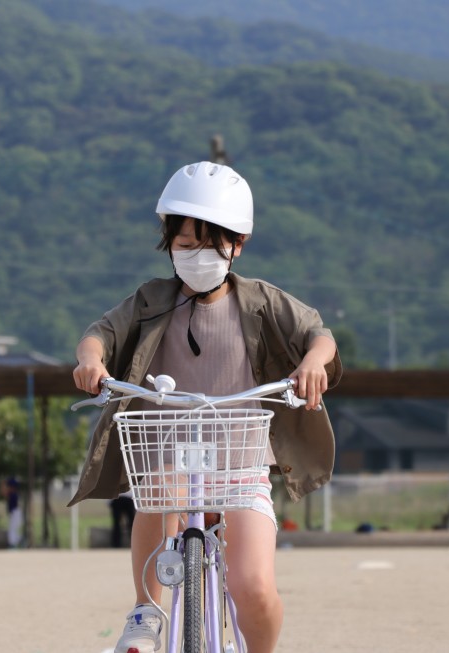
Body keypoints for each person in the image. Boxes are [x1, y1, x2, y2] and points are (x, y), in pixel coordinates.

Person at [70, 161, 342, 653]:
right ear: (168, 242)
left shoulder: (261, 301)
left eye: (210, 242)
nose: (196, 254)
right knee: (157, 488)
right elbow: (100, 334)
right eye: (184, 242)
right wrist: (91, 360)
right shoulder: (152, 300)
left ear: (237, 244)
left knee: (254, 589)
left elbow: (318, 336)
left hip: (243, 469)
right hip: (171, 457)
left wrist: (314, 364)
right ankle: (146, 612)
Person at [3, 477, 22, 548]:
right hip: (15, 513)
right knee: (12, 530)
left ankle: (13, 545)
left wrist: (3, 483)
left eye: (9, 486)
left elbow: (4, 493)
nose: (8, 488)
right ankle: (19, 541)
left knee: (12, 531)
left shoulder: (13, 494)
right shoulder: (13, 493)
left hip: (15, 513)